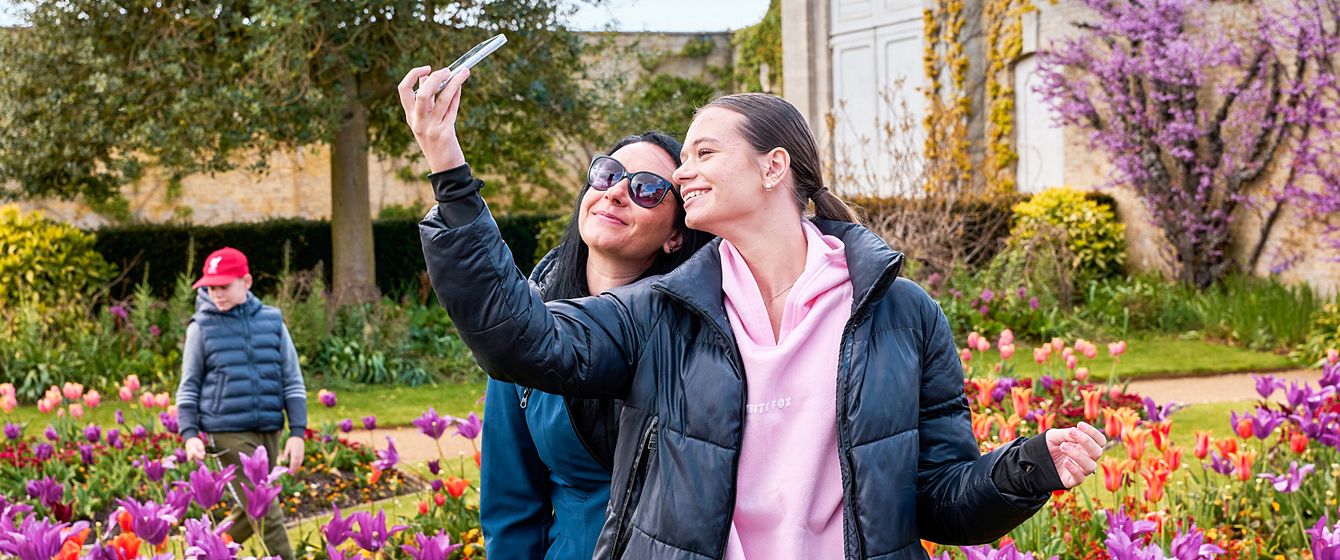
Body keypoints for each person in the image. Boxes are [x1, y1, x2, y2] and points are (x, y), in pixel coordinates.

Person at [401, 66, 1104, 560]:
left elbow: (937, 500)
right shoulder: (660, 314)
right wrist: (449, 168)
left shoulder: (902, 315)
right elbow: (519, 338)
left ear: (773, 169)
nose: (683, 172)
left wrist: (1024, 469)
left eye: (704, 151)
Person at [440, 131, 711, 560]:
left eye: (647, 188)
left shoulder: (698, 332)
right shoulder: (528, 320)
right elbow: (510, 506)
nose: (617, 192)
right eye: (607, 175)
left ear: (676, 235)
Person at [176, 247, 306, 560]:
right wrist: (190, 433)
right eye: (210, 287)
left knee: (252, 509)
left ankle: (201, 552)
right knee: (266, 506)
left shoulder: (273, 321)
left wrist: (298, 432)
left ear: (245, 281)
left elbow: (292, 379)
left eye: (224, 285)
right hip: (225, 430)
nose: (216, 293)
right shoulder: (201, 328)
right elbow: (188, 386)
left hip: (268, 430)